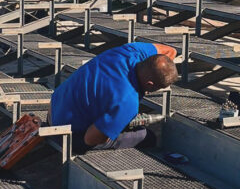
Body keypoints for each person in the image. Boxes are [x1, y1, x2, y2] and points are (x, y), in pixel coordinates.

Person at [49, 42, 178, 153]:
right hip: (65, 134)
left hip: (54, 106)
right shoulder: (128, 102)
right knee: (147, 137)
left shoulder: (132, 51)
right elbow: (90, 139)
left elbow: (172, 51)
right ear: (150, 84)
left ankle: (115, 122)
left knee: (114, 115)